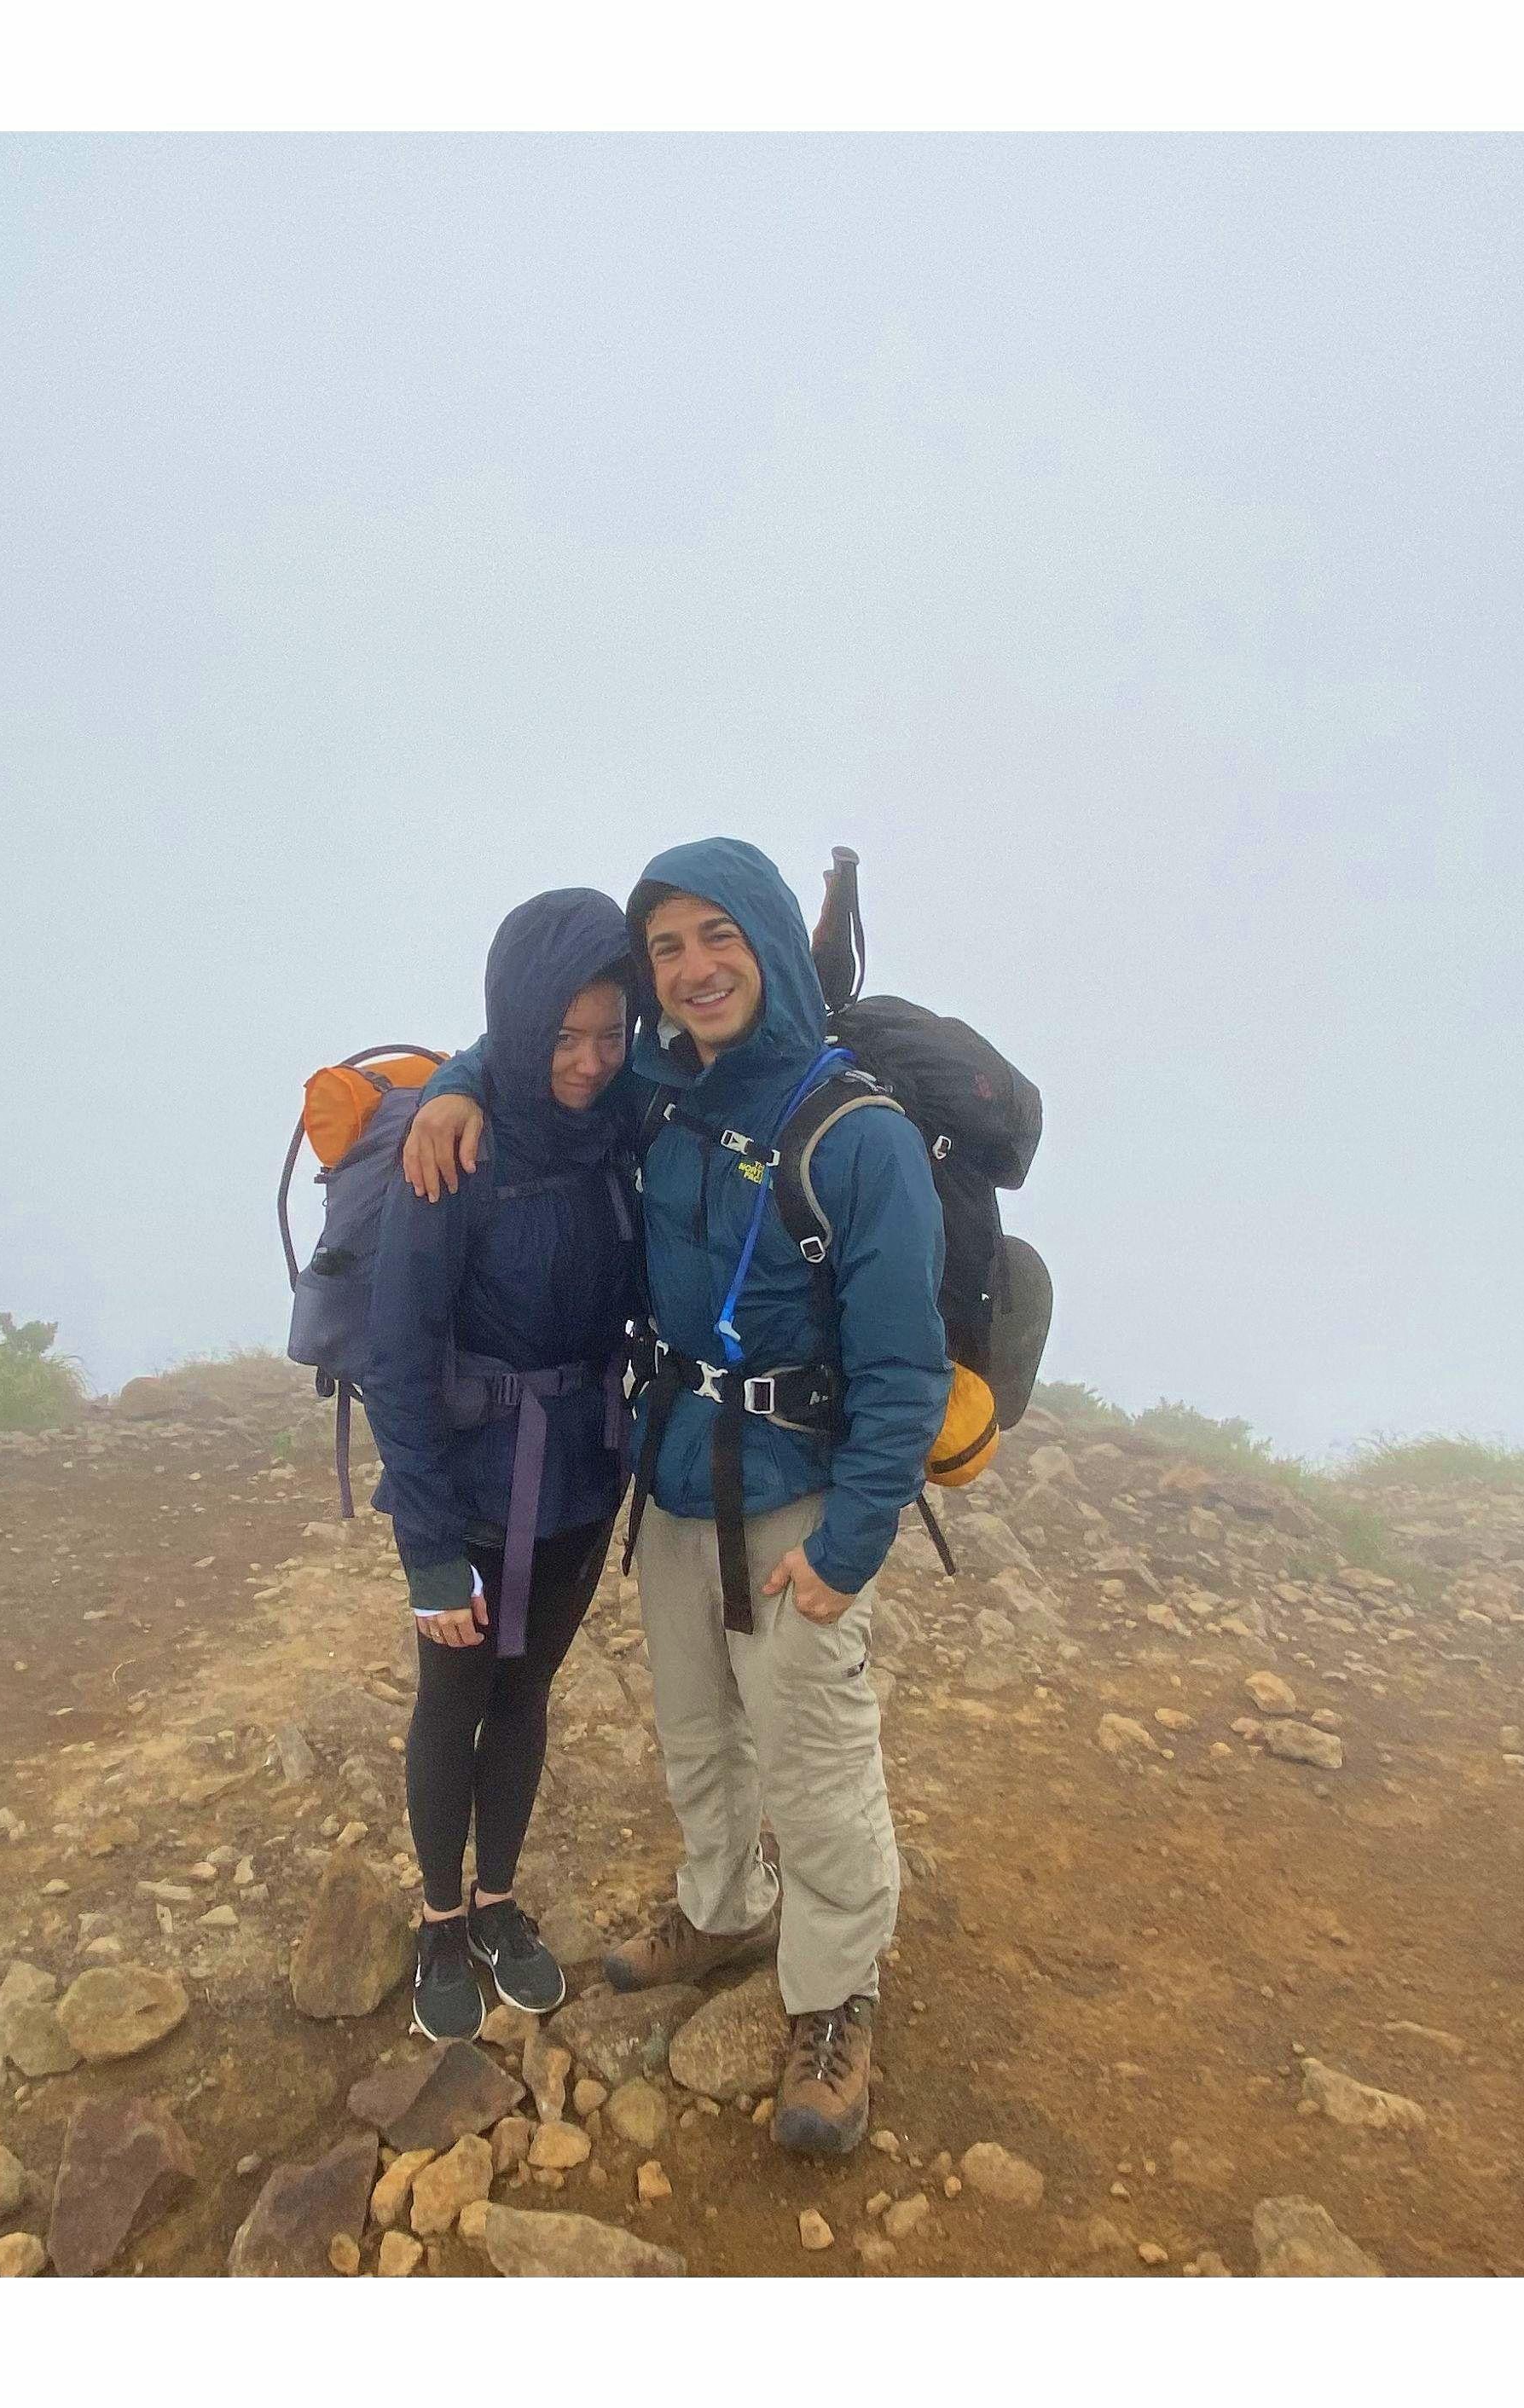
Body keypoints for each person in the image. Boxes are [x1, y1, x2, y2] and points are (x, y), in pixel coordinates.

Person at [403, 839, 947, 2153]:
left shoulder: (858, 1138)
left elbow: (905, 1371)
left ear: (766, 937)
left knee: (815, 1764)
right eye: (668, 948)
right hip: (675, 1473)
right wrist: (458, 1084)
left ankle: (834, 1997)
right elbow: (548, 1054)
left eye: (719, 937)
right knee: (700, 1732)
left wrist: (853, 1546)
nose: (694, 969)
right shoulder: (664, 1085)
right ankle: (721, 1907)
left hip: (801, 1496)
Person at [362, 888, 643, 2042]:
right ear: (519, 1028)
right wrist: (428, 1551)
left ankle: (495, 1903)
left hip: (581, 1478)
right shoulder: (457, 1149)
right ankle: (437, 1916)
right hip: (473, 1490)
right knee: (455, 1698)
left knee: (527, 1697)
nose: (585, 1062)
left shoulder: (625, 1126)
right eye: (558, 1038)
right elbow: (395, 1356)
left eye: (607, 1035)